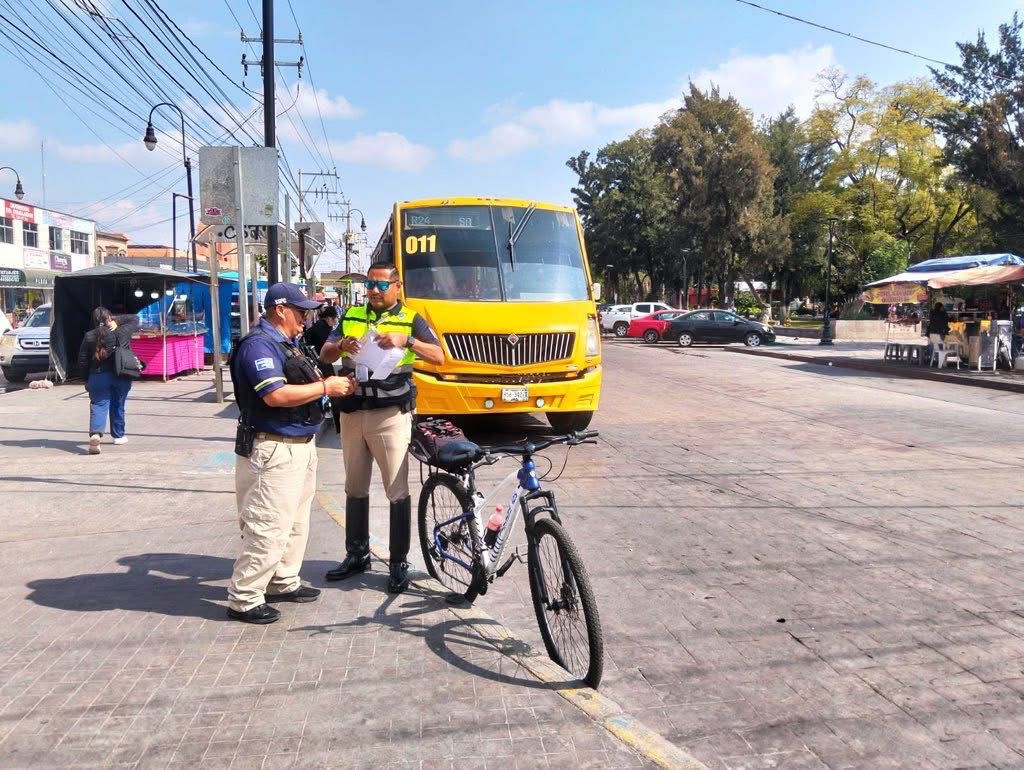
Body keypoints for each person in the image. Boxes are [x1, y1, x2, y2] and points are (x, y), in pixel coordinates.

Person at [226, 283, 357, 624]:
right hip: (273, 448)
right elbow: (275, 395)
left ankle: (282, 580)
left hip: (299, 444)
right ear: (280, 310)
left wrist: (333, 384)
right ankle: (244, 597)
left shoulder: (288, 343)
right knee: (267, 525)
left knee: (295, 523)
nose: (305, 318)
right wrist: (326, 386)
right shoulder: (259, 345)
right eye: (300, 311)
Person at [319, 262, 444, 593]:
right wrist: (341, 346)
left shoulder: (411, 319)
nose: (374, 291)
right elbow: (325, 353)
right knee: (354, 486)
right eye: (370, 285)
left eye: (381, 285)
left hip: (389, 416)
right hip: (352, 413)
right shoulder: (351, 315)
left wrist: (408, 341)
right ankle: (357, 554)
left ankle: (398, 561)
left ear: (397, 287)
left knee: (396, 490)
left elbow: (439, 356)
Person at [78, 307, 139, 455]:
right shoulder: (122, 332)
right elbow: (135, 319)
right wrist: (117, 321)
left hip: (97, 376)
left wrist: (86, 379)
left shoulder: (89, 336)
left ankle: (95, 434)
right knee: (118, 404)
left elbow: (83, 360)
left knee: (99, 405)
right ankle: (118, 436)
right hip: (120, 375)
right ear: (109, 318)